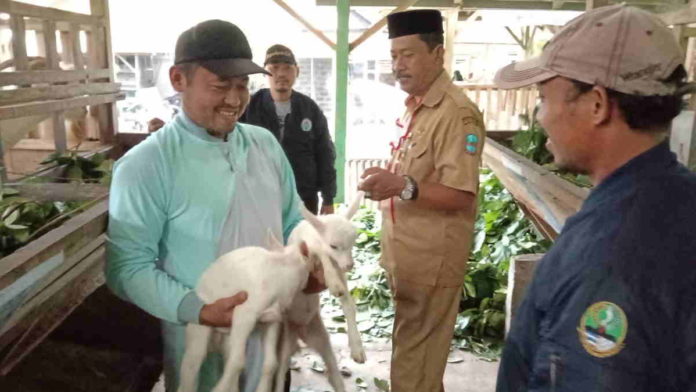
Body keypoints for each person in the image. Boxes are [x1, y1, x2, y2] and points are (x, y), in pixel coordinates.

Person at [105, 20, 322, 392]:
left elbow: (291, 218)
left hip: (269, 331)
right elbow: (126, 267)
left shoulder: (264, 145)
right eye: (220, 86)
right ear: (178, 79)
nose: (234, 100)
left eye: (242, 86)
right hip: (201, 339)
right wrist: (199, 309)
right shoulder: (147, 164)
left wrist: (311, 254)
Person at [493, 5, 696, 391]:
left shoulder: (611, 256)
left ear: (597, 104)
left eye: (544, 96)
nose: (540, 116)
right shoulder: (677, 198)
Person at [358, 9, 485, 392]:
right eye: (394, 55)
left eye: (408, 54)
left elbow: (462, 195)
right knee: (417, 364)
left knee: (414, 372)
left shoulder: (457, 114)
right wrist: (394, 182)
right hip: (409, 261)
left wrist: (402, 186)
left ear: (438, 54)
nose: (398, 65)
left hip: (433, 265)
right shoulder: (417, 106)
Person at [241, 44, 336, 215]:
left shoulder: (309, 108)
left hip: (303, 199)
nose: (281, 74)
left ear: (297, 72)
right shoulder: (249, 107)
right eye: (274, 68)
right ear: (265, 73)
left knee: (303, 241)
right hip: (258, 198)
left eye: (287, 68)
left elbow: (325, 153)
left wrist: (328, 198)